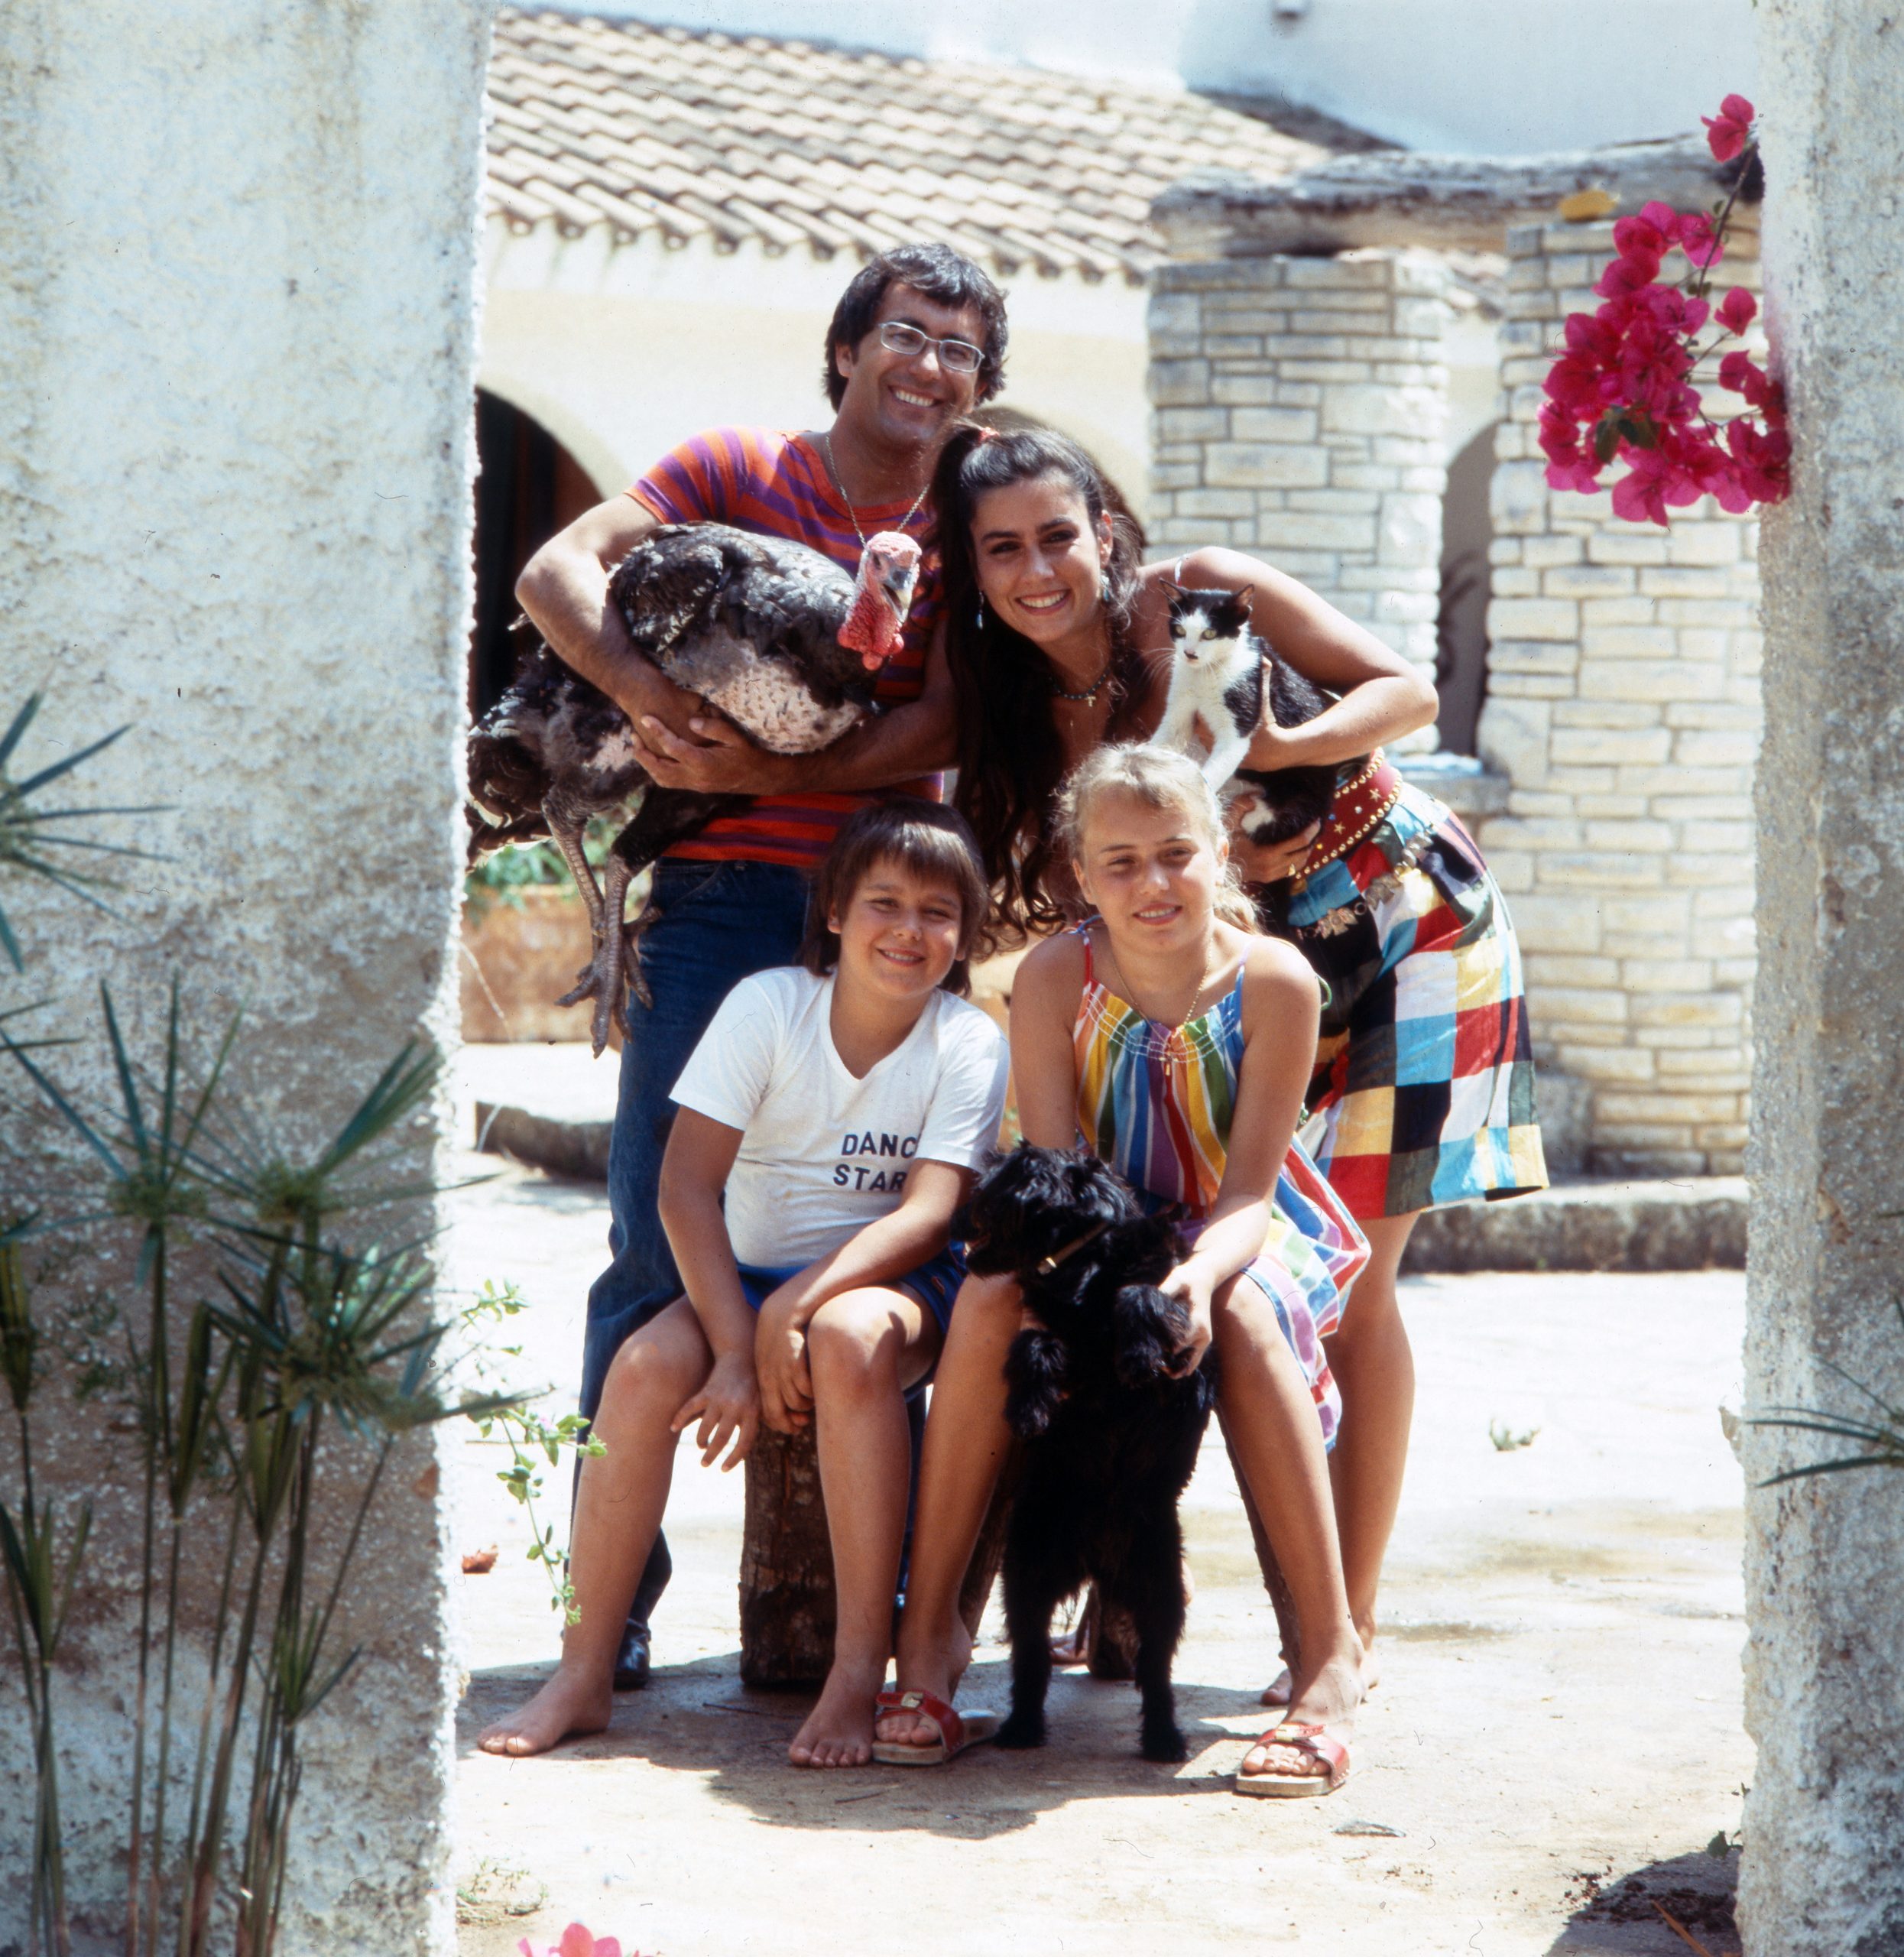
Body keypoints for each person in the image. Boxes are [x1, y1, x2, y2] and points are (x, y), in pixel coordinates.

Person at [928, 422, 1546, 1702]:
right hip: (1216, 972)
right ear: (974, 570)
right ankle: (1113, 1585)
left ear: (1107, 528)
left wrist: (1272, 750)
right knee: (1131, 1248)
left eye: (1060, 533)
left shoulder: (1203, 596)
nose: (1039, 568)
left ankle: (1340, 1630)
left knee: (1357, 1278)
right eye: (1004, 551)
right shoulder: (1020, 709)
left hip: (1398, 924)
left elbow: (1403, 695)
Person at [514, 244, 1008, 1686]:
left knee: (913, 1235)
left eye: (962, 352)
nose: (929, 367)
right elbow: (559, 570)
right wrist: (652, 704)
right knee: (648, 1237)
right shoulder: (737, 461)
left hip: (897, 903)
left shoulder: (967, 513)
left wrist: (816, 751)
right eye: (906, 335)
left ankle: (890, 1609)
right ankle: (606, 1617)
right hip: (727, 890)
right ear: (848, 346)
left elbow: (956, 714)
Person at [876, 745, 1371, 1794]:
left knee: (1232, 1320)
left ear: (1217, 853)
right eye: (1119, 863)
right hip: (1096, 1237)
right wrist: (1089, 1288)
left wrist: (1190, 1281)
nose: (1150, 884)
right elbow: (1058, 1179)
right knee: (987, 1303)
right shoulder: (1058, 975)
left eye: (1174, 855)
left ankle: (1327, 1660)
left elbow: (1246, 1197)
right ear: (1079, 872)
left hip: (1232, 1234)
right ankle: (928, 1650)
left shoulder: (1274, 980)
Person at [479, 800, 1009, 1767]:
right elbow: (684, 1187)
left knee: (848, 1341)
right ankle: (583, 1666)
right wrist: (734, 1345)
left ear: (966, 933)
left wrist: (798, 1308)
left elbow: (929, 1214)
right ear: (836, 911)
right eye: (884, 902)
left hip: (892, 1286)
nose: (909, 930)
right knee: (640, 1371)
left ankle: (857, 1669)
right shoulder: (770, 1004)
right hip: (750, 1277)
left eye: (939, 913)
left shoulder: (965, 1039)